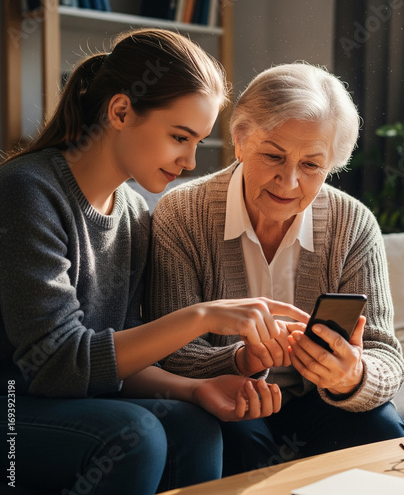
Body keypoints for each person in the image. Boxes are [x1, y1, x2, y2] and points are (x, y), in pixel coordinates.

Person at [0, 30, 310, 495]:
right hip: (11, 409)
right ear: (121, 111)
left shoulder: (133, 215)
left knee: (195, 424)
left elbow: (117, 360)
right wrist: (204, 315)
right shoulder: (27, 191)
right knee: (136, 436)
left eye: (199, 141)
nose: (189, 161)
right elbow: (57, 365)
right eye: (179, 137)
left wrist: (194, 389)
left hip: (65, 403)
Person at [147, 62, 404, 476]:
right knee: (238, 445)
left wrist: (352, 376)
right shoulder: (182, 214)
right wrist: (240, 360)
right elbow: (168, 354)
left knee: (383, 430)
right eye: (273, 155)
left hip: (320, 402)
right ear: (239, 140)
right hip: (230, 397)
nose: (288, 182)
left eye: (311, 165)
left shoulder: (353, 224)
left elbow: (386, 357)